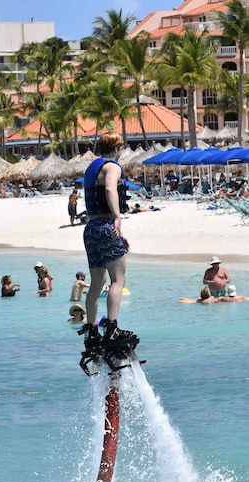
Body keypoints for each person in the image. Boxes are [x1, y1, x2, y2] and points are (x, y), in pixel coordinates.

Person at [80, 131, 136, 349]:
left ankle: (92, 331)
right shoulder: (112, 166)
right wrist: (117, 217)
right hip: (106, 226)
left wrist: (119, 233)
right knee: (118, 281)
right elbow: (111, 189)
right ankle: (111, 328)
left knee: (96, 284)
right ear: (116, 148)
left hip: (91, 228)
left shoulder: (90, 168)